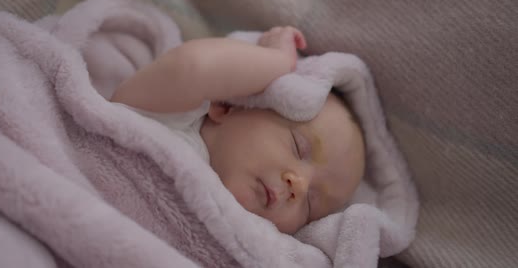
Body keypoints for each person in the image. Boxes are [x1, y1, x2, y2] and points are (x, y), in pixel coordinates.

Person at [111, 27, 366, 234]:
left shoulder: (259, 245)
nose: (298, 185)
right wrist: (277, 61)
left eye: (311, 203)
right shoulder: (165, 118)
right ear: (227, 106)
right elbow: (192, 67)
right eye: (298, 147)